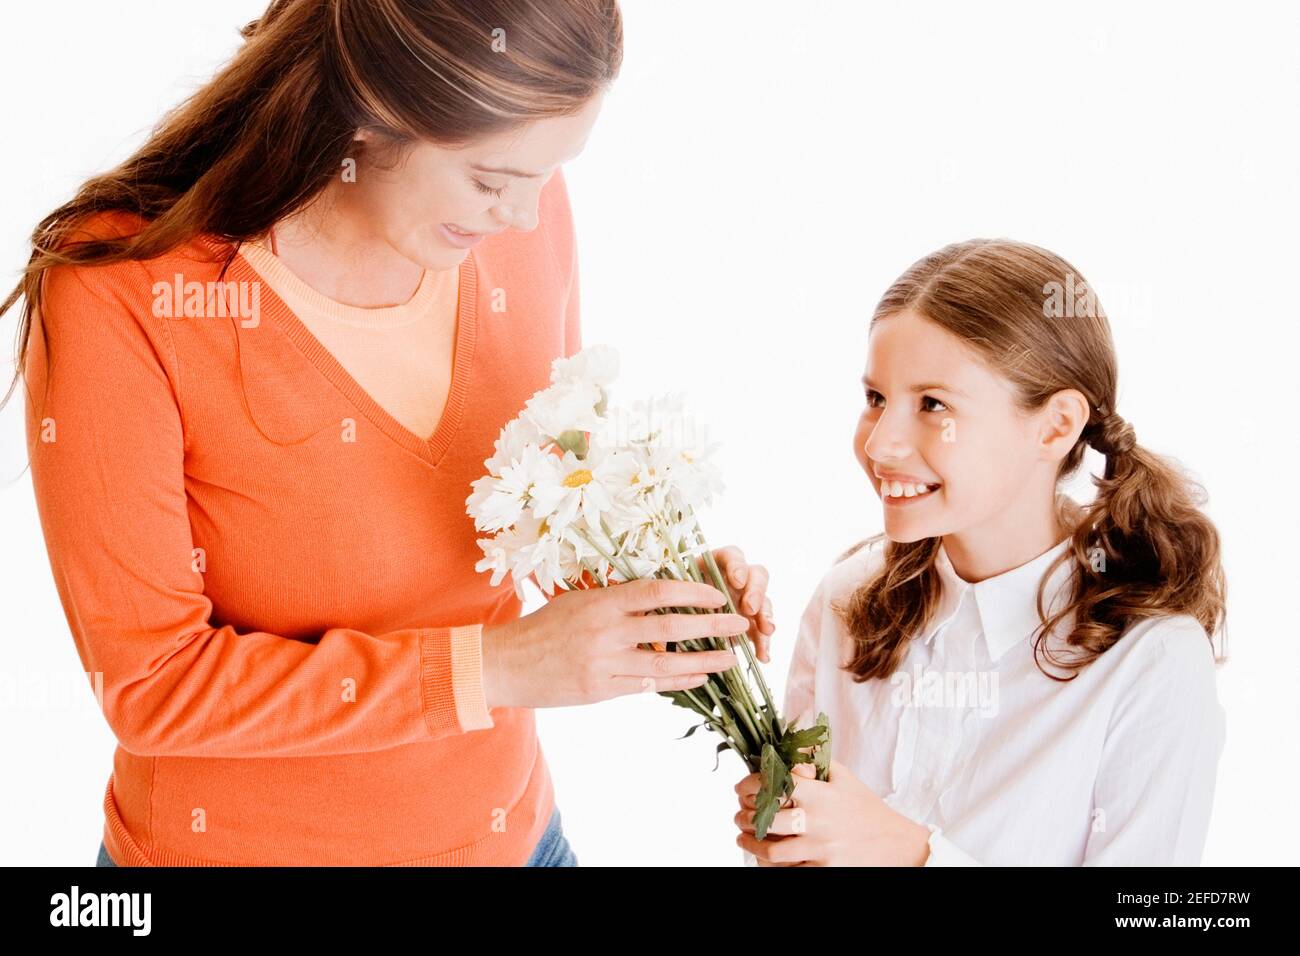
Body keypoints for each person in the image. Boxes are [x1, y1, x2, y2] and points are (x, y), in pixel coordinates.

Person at [3, 0, 777, 867]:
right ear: (372, 112)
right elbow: (151, 687)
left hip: (517, 844)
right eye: (491, 179)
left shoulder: (520, 222)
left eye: (548, 173)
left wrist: (652, 591)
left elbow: (539, 508)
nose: (523, 217)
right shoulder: (126, 293)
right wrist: (493, 669)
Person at [733, 239, 1227, 865]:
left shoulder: (1150, 663)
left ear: (1056, 425)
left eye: (933, 404)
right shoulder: (844, 600)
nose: (881, 445)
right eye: (876, 399)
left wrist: (915, 856)